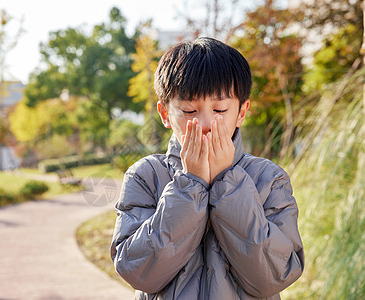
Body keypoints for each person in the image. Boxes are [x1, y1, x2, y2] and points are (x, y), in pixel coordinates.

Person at [110, 37, 304, 299]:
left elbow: (274, 276)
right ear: (165, 114)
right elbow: (138, 271)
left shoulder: (269, 179)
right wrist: (190, 184)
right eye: (189, 110)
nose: (206, 123)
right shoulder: (145, 176)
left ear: (242, 112)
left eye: (220, 109)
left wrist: (229, 182)